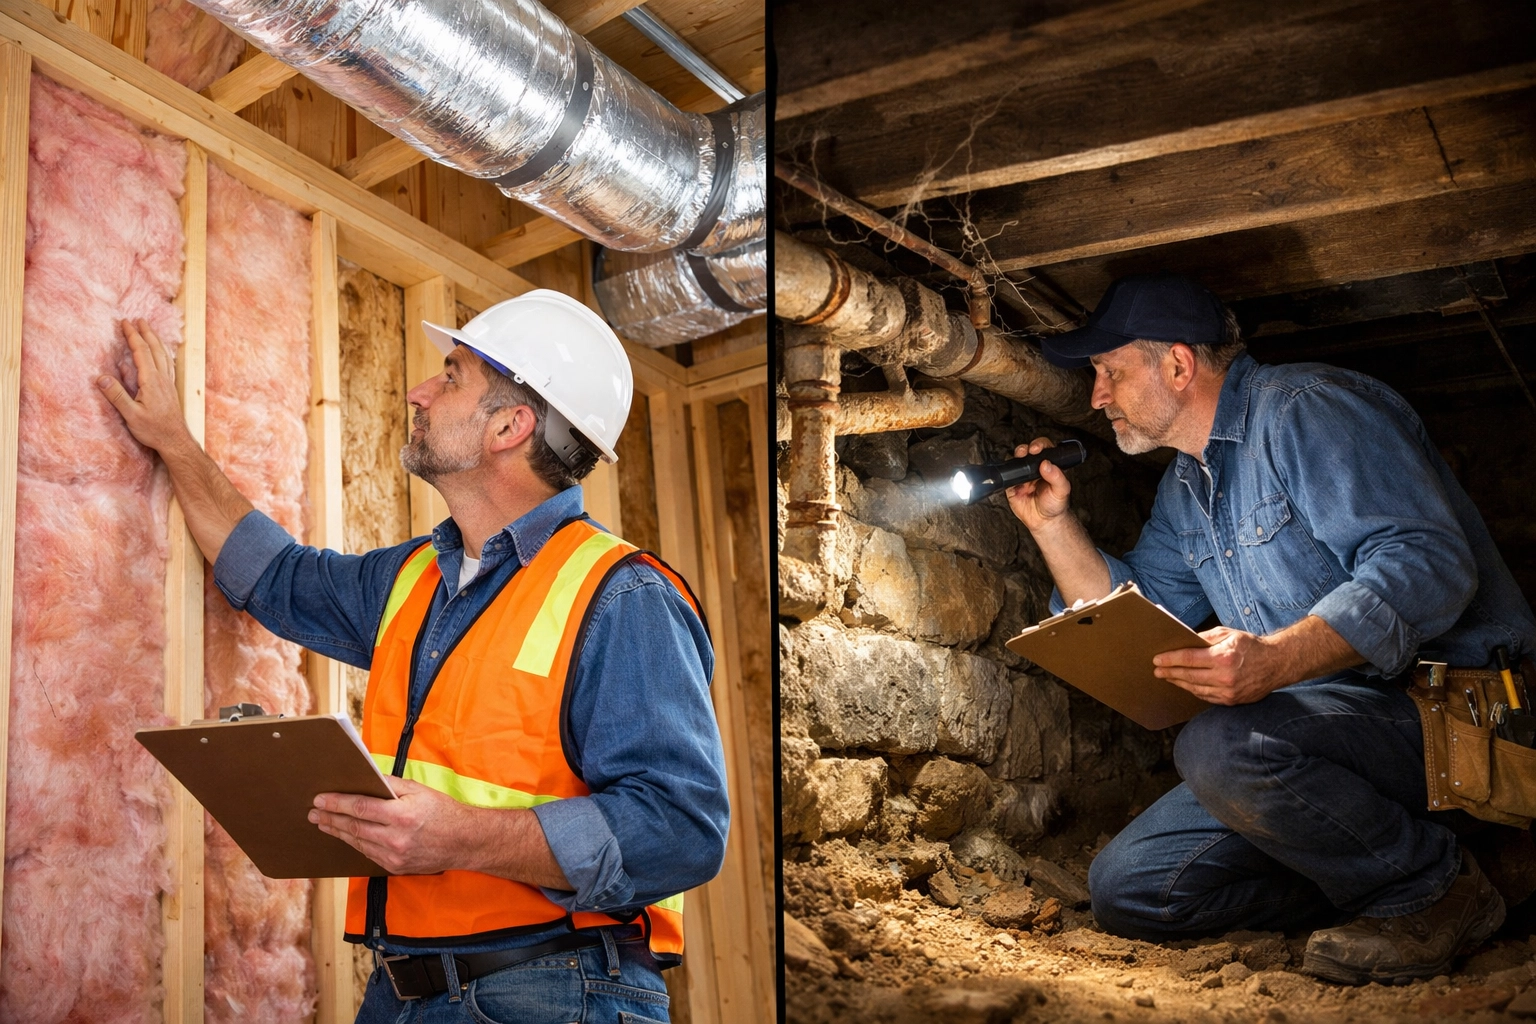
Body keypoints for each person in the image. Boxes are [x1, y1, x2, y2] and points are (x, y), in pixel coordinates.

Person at [99, 289, 729, 1022]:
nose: (419, 392)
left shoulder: (622, 596)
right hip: (404, 990)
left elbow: (682, 830)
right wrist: (172, 441)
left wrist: (466, 839)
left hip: (556, 989)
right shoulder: (414, 578)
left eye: (451, 376)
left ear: (510, 425)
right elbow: (276, 578)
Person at [1005, 272, 1536, 985]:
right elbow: (1134, 610)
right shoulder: (1185, 488)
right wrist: (1052, 524)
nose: (1097, 395)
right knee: (1132, 888)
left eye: (1109, 371)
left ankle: (1431, 892)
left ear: (1178, 365)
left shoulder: (1305, 410)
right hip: (1325, 744)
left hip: (1455, 719)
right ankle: (1428, 871)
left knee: (1222, 743)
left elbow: (1428, 566)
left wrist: (1277, 661)